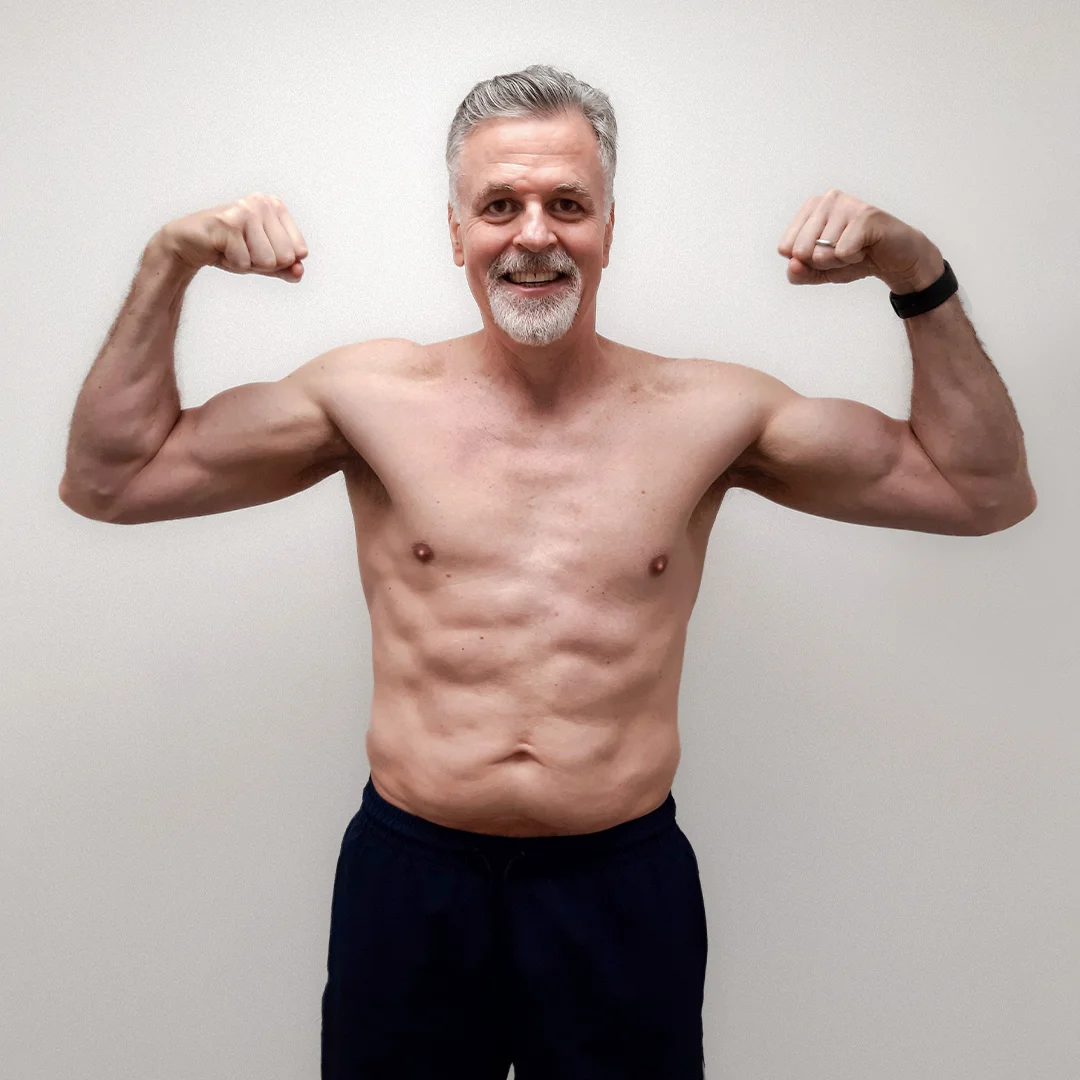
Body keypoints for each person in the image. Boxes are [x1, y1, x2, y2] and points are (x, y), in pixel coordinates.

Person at [59, 64, 1036, 1080]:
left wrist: (917, 274)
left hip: (618, 885)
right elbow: (110, 480)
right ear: (456, 233)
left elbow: (980, 492)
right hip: (413, 880)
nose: (534, 235)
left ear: (609, 226)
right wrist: (168, 264)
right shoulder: (368, 398)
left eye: (567, 204)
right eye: (500, 207)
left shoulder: (712, 414)